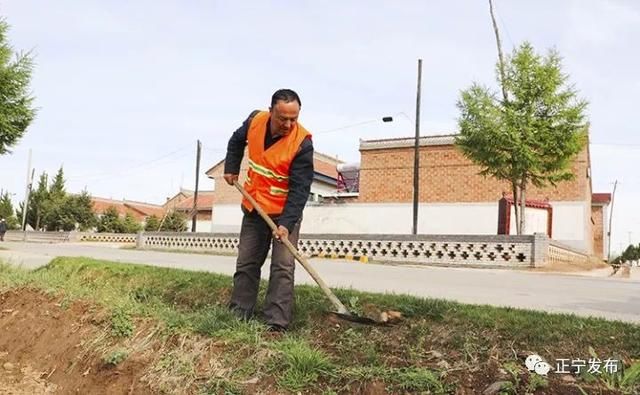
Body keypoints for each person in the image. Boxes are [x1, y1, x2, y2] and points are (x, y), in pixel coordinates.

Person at [224, 89, 314, 332]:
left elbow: (300, 189)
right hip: (254, 207)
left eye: (293, 119)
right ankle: (239, 312)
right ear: (271, 110)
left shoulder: (302, 143)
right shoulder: (255, 120)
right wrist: (231, 167)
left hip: (285, 213)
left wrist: (286, 223)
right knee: (247, 262)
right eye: (282, 118)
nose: (288, 124)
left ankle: (276, 322)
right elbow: (235, 141)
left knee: (282, 266)